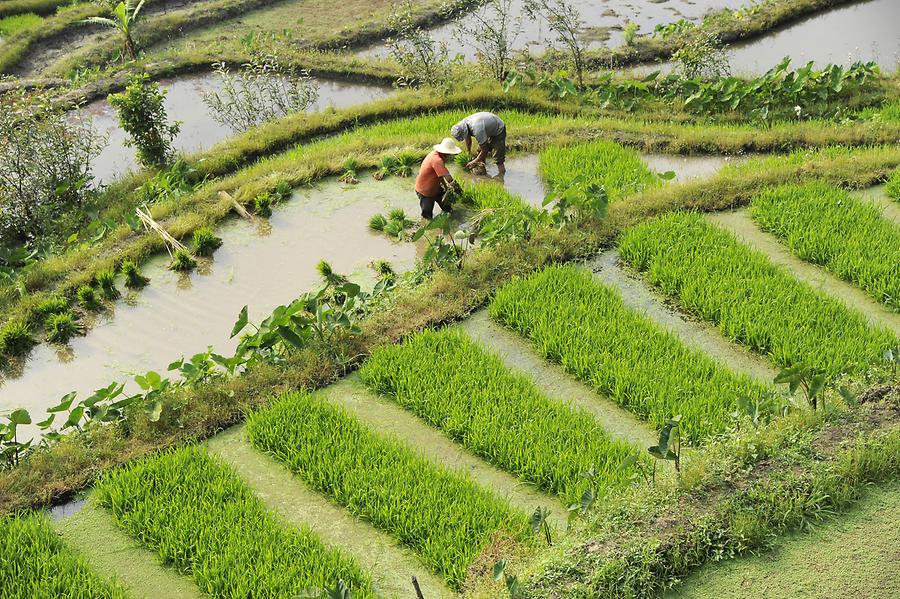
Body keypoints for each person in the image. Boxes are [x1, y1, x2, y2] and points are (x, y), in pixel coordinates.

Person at [414, 137, 463, 219]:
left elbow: (440, 175)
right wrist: (458, 189)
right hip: (425, 191)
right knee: (427, 216)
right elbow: (448, 178)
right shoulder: (437, 160)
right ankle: (428, 230)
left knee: (447, 208)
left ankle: (451, 220)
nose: (450, 155)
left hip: (436, 186)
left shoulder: (438, 155)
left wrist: (446, 187)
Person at [450, 111, 506, 175]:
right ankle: (483, 173)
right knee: (479, 152)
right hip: (488, 127)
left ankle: (501, 177)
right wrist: (468, 152)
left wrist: (474, 162)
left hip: (498, 129)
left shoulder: (477, 130)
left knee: (498, 160)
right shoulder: (463, 125)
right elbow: (467, 137)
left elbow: (485, 150)